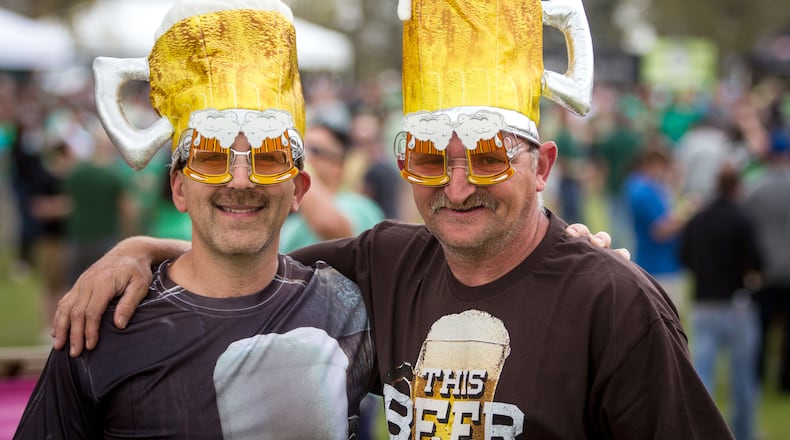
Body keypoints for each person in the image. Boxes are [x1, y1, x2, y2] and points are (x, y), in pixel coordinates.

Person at [52, 0, 732, 438]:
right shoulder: (383, 265)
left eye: (490, 158)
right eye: (431, 158)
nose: (458, 186)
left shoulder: (613, 304)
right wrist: (141, 251)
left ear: (543, 165)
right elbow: (242, 258)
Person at [15, 1, 375, 438]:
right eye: (211, 159)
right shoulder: (98, 329)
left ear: (298, 190)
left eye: (266, 160)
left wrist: (141, 248)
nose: (240, 181)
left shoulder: (351, 307)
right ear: (179, 189)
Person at [679, 164, 763, 440]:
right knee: (743, 377)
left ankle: (701, 432)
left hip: (703, 302)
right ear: (737, 186)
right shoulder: (742, 218)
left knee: (702, 375)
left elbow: (685, 256)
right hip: (735, 303)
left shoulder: (700, 217)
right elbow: (756, 261)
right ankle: (744, 433)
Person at [279, 122, 384, 253]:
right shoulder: (292, 220)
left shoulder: (360, 207)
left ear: (338, 166)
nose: (302, 155)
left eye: (313, 150)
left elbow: (330, 226)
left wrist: (299, 167)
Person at [743, 125, 790, 392]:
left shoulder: (754, 186)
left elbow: (746, 228)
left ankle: (757, 376)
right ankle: (786, 380)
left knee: (761, 327)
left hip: (764, 269)